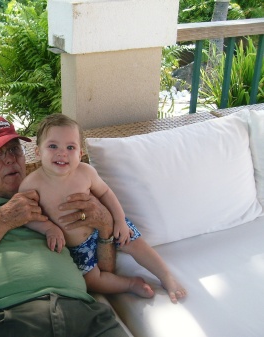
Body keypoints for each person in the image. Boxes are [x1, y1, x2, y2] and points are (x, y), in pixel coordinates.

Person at [0, 116, 130, 336]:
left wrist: (106, 227)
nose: (10, 160)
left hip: (83, 313)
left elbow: (105, 271)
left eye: (14, 150)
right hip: (6, 320)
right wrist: (1, 220)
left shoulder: (53, 187)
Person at [19, 114, 187, 304]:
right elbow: (28, 216)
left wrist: (120, 220)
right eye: (53, 146)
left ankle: (166, 276)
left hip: (105, 227)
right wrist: (49, 228)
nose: (62, 153)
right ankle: (130, 284)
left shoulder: (85, 172)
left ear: (80, 152)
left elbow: (106, 193)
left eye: (70, 147)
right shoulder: (31, 184)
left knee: (135, 243)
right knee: (92, 281)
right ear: (38, 152)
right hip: (77, 246)